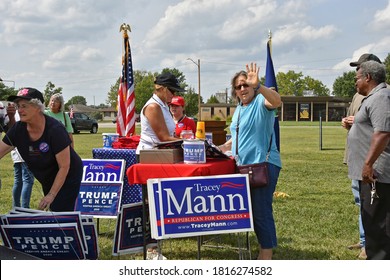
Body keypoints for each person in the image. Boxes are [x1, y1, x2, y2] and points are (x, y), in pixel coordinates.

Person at [218, 62, 282, 260]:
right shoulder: (239, 109)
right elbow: (236, 138)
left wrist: (259, 86)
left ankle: (266, 256)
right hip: (244, 167)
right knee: (252, 211)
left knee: (261, 211)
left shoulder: (261, 102)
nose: (243, 89)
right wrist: (221, 148)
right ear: (235, 91)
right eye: (239, 86)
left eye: (246, 85)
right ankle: (263, 247)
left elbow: (277, 101)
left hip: (262, 165)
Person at [0, 87, 83, 212]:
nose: (20, 110)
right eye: (18, 106)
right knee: (54, 209)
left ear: (38, 107)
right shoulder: (18, 129)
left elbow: (64, 166)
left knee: (60, 210)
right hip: (47, 176)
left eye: (24, 106)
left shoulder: (55, 129)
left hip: (68, 174)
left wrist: (51, 195)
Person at [347, 61, 390, 260]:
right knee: (372, 222)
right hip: (371, 175)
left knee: (378, 224)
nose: (355, 82)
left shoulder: (381, 97)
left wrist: (368, 164)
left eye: (357, 78)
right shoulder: (372, 98)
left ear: (368, 78)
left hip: (377, 175)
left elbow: (382, 134)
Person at [342, 53, 382, 259]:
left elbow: (381, 130)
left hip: (372, 161)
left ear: (370, 73)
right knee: (361, 201)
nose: (356, 73)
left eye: (360, 69)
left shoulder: (382, 96)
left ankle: (371, 244)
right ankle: (365, 239)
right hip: (357, 158)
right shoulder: (359, 95)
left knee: (373, 205)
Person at [136, 72, 185, 159]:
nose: (174, 95)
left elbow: (170, 136)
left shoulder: (163, 105)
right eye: (172, 91)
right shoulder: (153, 107)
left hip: (159, 153)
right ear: (163, 89)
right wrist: (189, 142)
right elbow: (164, 138)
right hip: (149, 154)